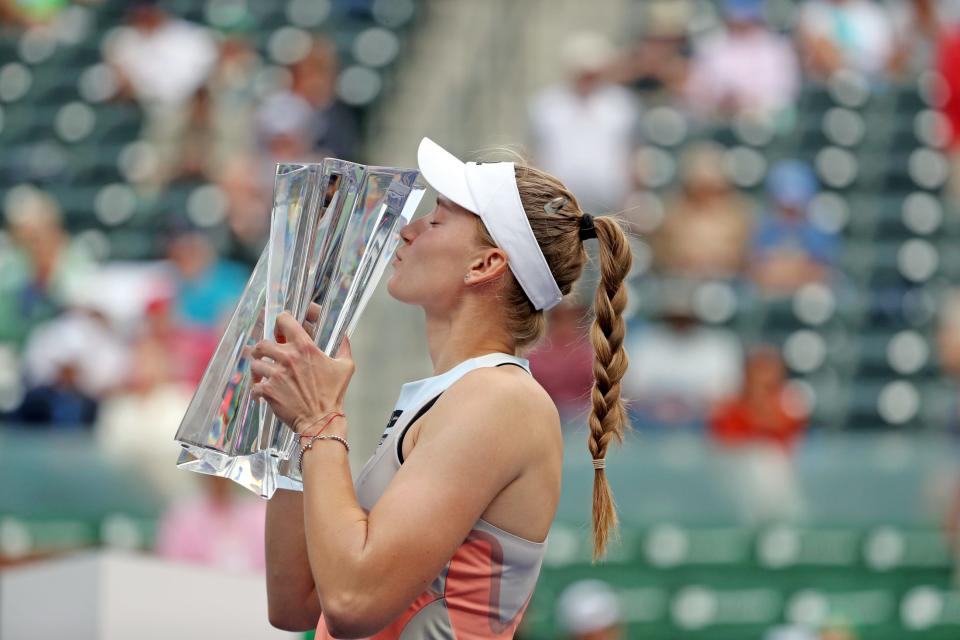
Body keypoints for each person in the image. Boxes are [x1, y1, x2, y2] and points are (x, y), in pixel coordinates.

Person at [255, 138, 632, 636]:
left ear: (485, 265)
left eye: (435, 221)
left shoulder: (500, 401)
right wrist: (295, 418)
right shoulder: (461, 395)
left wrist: (319, 419)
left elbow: (351, 600)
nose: (408, 232)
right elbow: (295, 604)